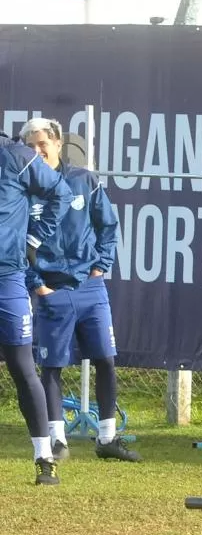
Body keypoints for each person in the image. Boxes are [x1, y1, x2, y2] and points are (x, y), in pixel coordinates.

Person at [20, 118, 141, 464]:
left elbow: (108, 224)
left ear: (59, 144)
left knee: (105, 359)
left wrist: (101, 264)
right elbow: (15, 242)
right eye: (30, 146)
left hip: (91, 288)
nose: (37, 151)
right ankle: (57, 440)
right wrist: (36, 284)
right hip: (51, 291)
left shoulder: (83, 181)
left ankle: (107, 438)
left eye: (43, 143)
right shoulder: (24, 190)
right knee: (52, 367)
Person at [0, 129, 74, 484]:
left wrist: (32, 237)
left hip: (8, 279)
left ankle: (44, 458)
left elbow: (62, 191)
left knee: (22, 367)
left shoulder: (17, 156)